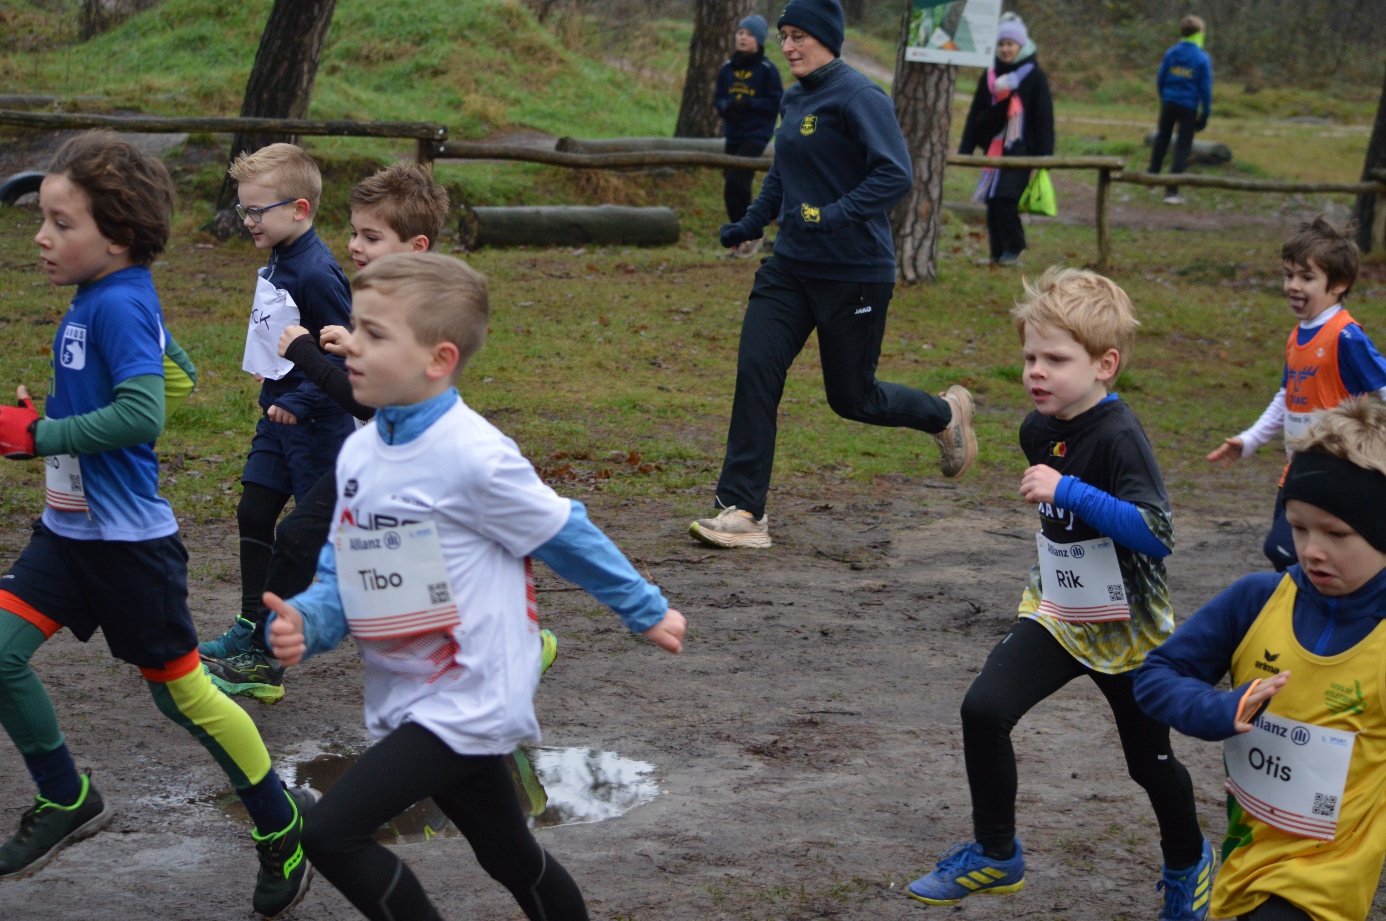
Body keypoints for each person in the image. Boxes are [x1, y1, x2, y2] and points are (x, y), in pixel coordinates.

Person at [261, 252, 687, 921]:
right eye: (353, 326)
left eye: (375, 334)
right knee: (510, 856)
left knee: (328, 833)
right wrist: (306, 624)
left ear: (439, 358)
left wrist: (643, 608)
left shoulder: (474, 454)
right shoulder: (361, 453)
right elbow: (348, 575)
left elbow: (562, 530)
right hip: (411, 692)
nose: (348, 344)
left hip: (469, 693)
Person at [0, 131, 315, 918]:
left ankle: (282, 829)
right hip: (67, 536)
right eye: (42, 217)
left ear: (118, 236)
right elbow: (178, 374)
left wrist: (41, 436)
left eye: (60, 222)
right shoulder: (108, 296)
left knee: (187, 700)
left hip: (128, 549)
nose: (42, 236)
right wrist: (66, 413)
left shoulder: (116, 300)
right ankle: (67, 797)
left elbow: (143, 411)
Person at [907, 268, 1212, 920]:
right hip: (1061, 611)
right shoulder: (1037, 428)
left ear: (1105, 364)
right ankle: (997, 852)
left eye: (1055, 359)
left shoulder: (1121, 436)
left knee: (1150, 763)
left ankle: (1188, 862)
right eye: (1029, 357)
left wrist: (1066, 490)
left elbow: (1157, 533)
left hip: (1128, 630)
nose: (1035, 372)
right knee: (984, 709)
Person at [696, 0, 977, 550]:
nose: (790, 46)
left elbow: (895, 174)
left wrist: (833, 214)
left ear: (827, 37)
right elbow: (785, 167)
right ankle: (744, 510)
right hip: (790, 268)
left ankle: (944, 414)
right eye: (784, 36)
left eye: (800, 36)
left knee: (854, 398)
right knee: (756, 371)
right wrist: (752, 222)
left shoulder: (859, 95)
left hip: (854, 272)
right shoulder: (795, 95)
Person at [199, 162, 454, 701]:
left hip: (406, 458)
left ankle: (266, 656)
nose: (354, 246)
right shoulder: (378, 298)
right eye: (355, 232)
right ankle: (263, 653)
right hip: (376, 452)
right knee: (340, 553)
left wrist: (308, 354)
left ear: (416, 246)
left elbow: (362, 397)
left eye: (371, 236)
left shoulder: (415, 313)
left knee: (372, 563)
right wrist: (347, 343)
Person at [1136, 396, 1386, 921]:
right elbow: (1157, 675)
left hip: (1325, 887)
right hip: (1246, 864)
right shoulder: (1257, 600)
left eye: (1336, 534)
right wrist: (1219, 710)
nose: (1311, 550)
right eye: (1298, 528)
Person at [198, 143, 355, 701]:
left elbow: (342, 353)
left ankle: (270, 650)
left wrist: (304, 401)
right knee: (255, 508)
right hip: (276, 417)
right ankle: (248, 626)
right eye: (244, 210)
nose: (247, 221)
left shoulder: (316, 271)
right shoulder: (281, 259)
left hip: (316, 425)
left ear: (300, 209)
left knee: (319, 540)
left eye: (257, 211)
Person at [1206, 216, 1386, 573]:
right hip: (1299, 463)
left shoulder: (1345, 336)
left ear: (1339, 284)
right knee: (1286, 555)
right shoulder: (1297, 335)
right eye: (1288, 275)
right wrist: (1249, 440)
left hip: (1338, 465)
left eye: (1306, 277)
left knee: (1287, 551)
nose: (1292, 285)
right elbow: (1286, 396)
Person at [958, 12, 1054, 266]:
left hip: (1022, 148)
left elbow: (1044, 117)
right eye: (1001, 44)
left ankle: (1015, 246)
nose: (1005, 49)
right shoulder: (989, 76)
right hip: (995, 147)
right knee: (992, 200)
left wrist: (1045, 156)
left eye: (1010, 44)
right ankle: (997, 253)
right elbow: (975, 112)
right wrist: (965, 149)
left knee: (1006, 198)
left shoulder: (1034, 76)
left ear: (1021, 46)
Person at [715, 13, 783, 258]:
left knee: (738, 182)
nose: (743, 38)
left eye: (749, 34)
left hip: (756, 135)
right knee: (729, 187)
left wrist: (749, 104)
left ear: (759, 40)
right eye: (740, 33)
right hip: (733, 134)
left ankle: (751, 235)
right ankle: (737, 238)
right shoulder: (727, 68)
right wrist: (727, 106)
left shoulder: (767, 70)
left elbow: (776, 102)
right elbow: (719, 97)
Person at [1148, 15, 1213, 206]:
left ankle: (1151, 179)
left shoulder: (1171, 53)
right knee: (1182, 147)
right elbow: (1205, 88)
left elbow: (1160, 78)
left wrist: (1165, 97)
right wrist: (1206, 112)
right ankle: (1171, 190)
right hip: (1188, 106)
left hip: (1169, 102)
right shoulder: (1202, 58)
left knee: (1162, 139)